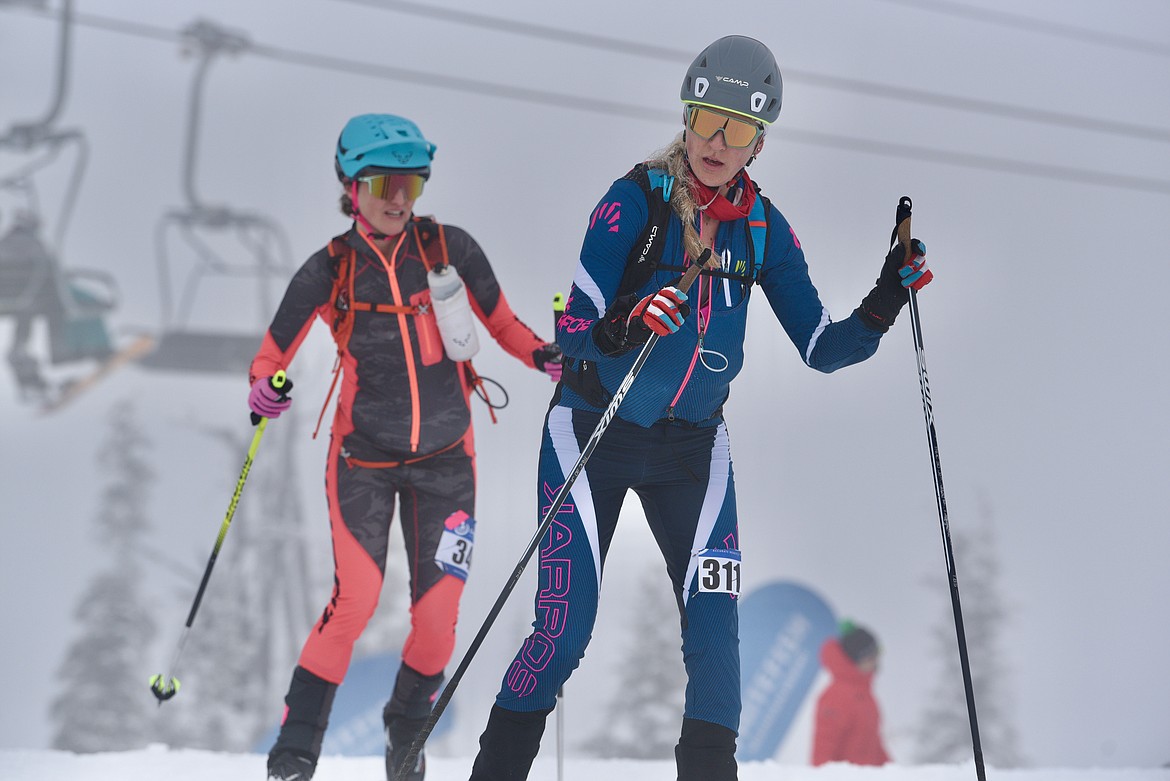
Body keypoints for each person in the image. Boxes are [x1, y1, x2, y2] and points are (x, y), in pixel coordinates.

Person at [464, 35, 932, 781]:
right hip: (593, 430)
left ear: (759, 141)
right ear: (685, 118)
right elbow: (573, 332)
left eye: (738, 130)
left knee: (717, 643)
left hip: (692, 452)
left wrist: (886, 297)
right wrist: (626, 321)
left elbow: (821, 345)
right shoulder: (633, 202)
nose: (718, 143)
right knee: (563, 629)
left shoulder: (764, 229)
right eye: (707, 121)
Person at [250, 113, 563, 781]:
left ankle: (406, 731)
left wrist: (546, 356)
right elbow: (272, 353)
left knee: (439, 614)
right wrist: (265, 387)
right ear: (351, 185)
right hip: (362, 460)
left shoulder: (447, 247)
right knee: (356, 599)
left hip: (447, 462)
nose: (401, 198)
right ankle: (296, 748)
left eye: (413, 182)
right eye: (387, 183)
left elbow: (501, 321)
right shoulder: (330, 268)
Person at [812, 622, 892, 766]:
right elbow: (823, 750)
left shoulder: (864, 694)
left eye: (877, 654)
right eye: (870, 657)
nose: (876, 662)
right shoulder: (836, 696)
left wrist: (895, 772)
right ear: (855, 660)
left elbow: (873, 745)